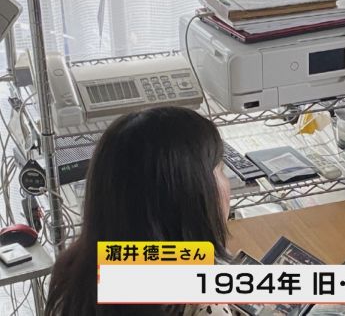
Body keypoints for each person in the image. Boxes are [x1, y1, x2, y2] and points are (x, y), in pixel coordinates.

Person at [45, 107, 234, 316]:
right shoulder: (203, 303)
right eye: (220, 169)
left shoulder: (73, 270)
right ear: (187, 195)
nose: (228, 184)